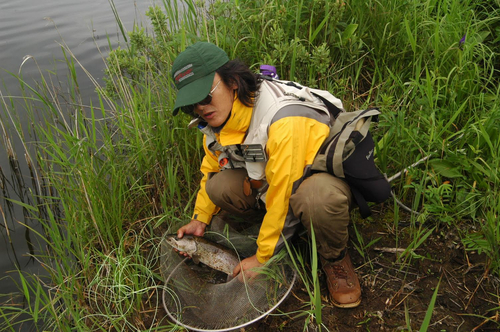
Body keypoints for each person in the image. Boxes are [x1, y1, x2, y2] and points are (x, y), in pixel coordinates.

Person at [171, 42, 361, 308]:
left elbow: (285, 191)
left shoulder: (282, 119)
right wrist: (200, 219)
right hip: (278, 180)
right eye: (192, 104)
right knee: (218, 187)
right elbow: (211, 167)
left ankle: (335, 257)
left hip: (320, 180)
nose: (201, 108)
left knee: (317, 198)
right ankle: (282, 232)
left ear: (232, 82)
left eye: (205, 96)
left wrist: (262, 257)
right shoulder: (218, 121)